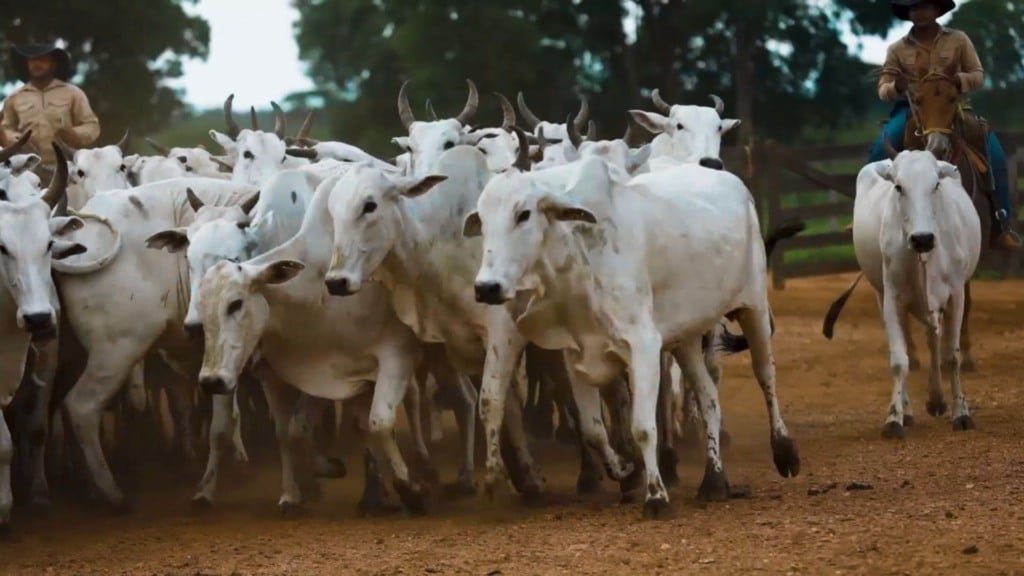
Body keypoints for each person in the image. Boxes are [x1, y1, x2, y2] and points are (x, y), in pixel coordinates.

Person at [869, 0, 1021, 249]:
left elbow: (978, 74)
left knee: (993, 151)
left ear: (937, 9)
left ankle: (1002, 222)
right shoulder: (897, 49)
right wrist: (895, 87)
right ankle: (868, 217)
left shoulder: (958, 40)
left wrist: (959, 81)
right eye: (914, 8)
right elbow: (883, 89)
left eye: (925, 6)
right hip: (912, 110)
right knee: (879, 149)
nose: (920, 12)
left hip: (953, 107)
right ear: (908, 13)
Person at [2, 42, 100, 165]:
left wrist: (74, 134)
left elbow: (92, 126)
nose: (36, 64)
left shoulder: (73, 93)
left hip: (67, 166)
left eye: (42, 60)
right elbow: (5, 128)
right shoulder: (14, 98)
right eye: (32, 61)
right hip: (28, 169)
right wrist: (16, 140)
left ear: (53, 64)